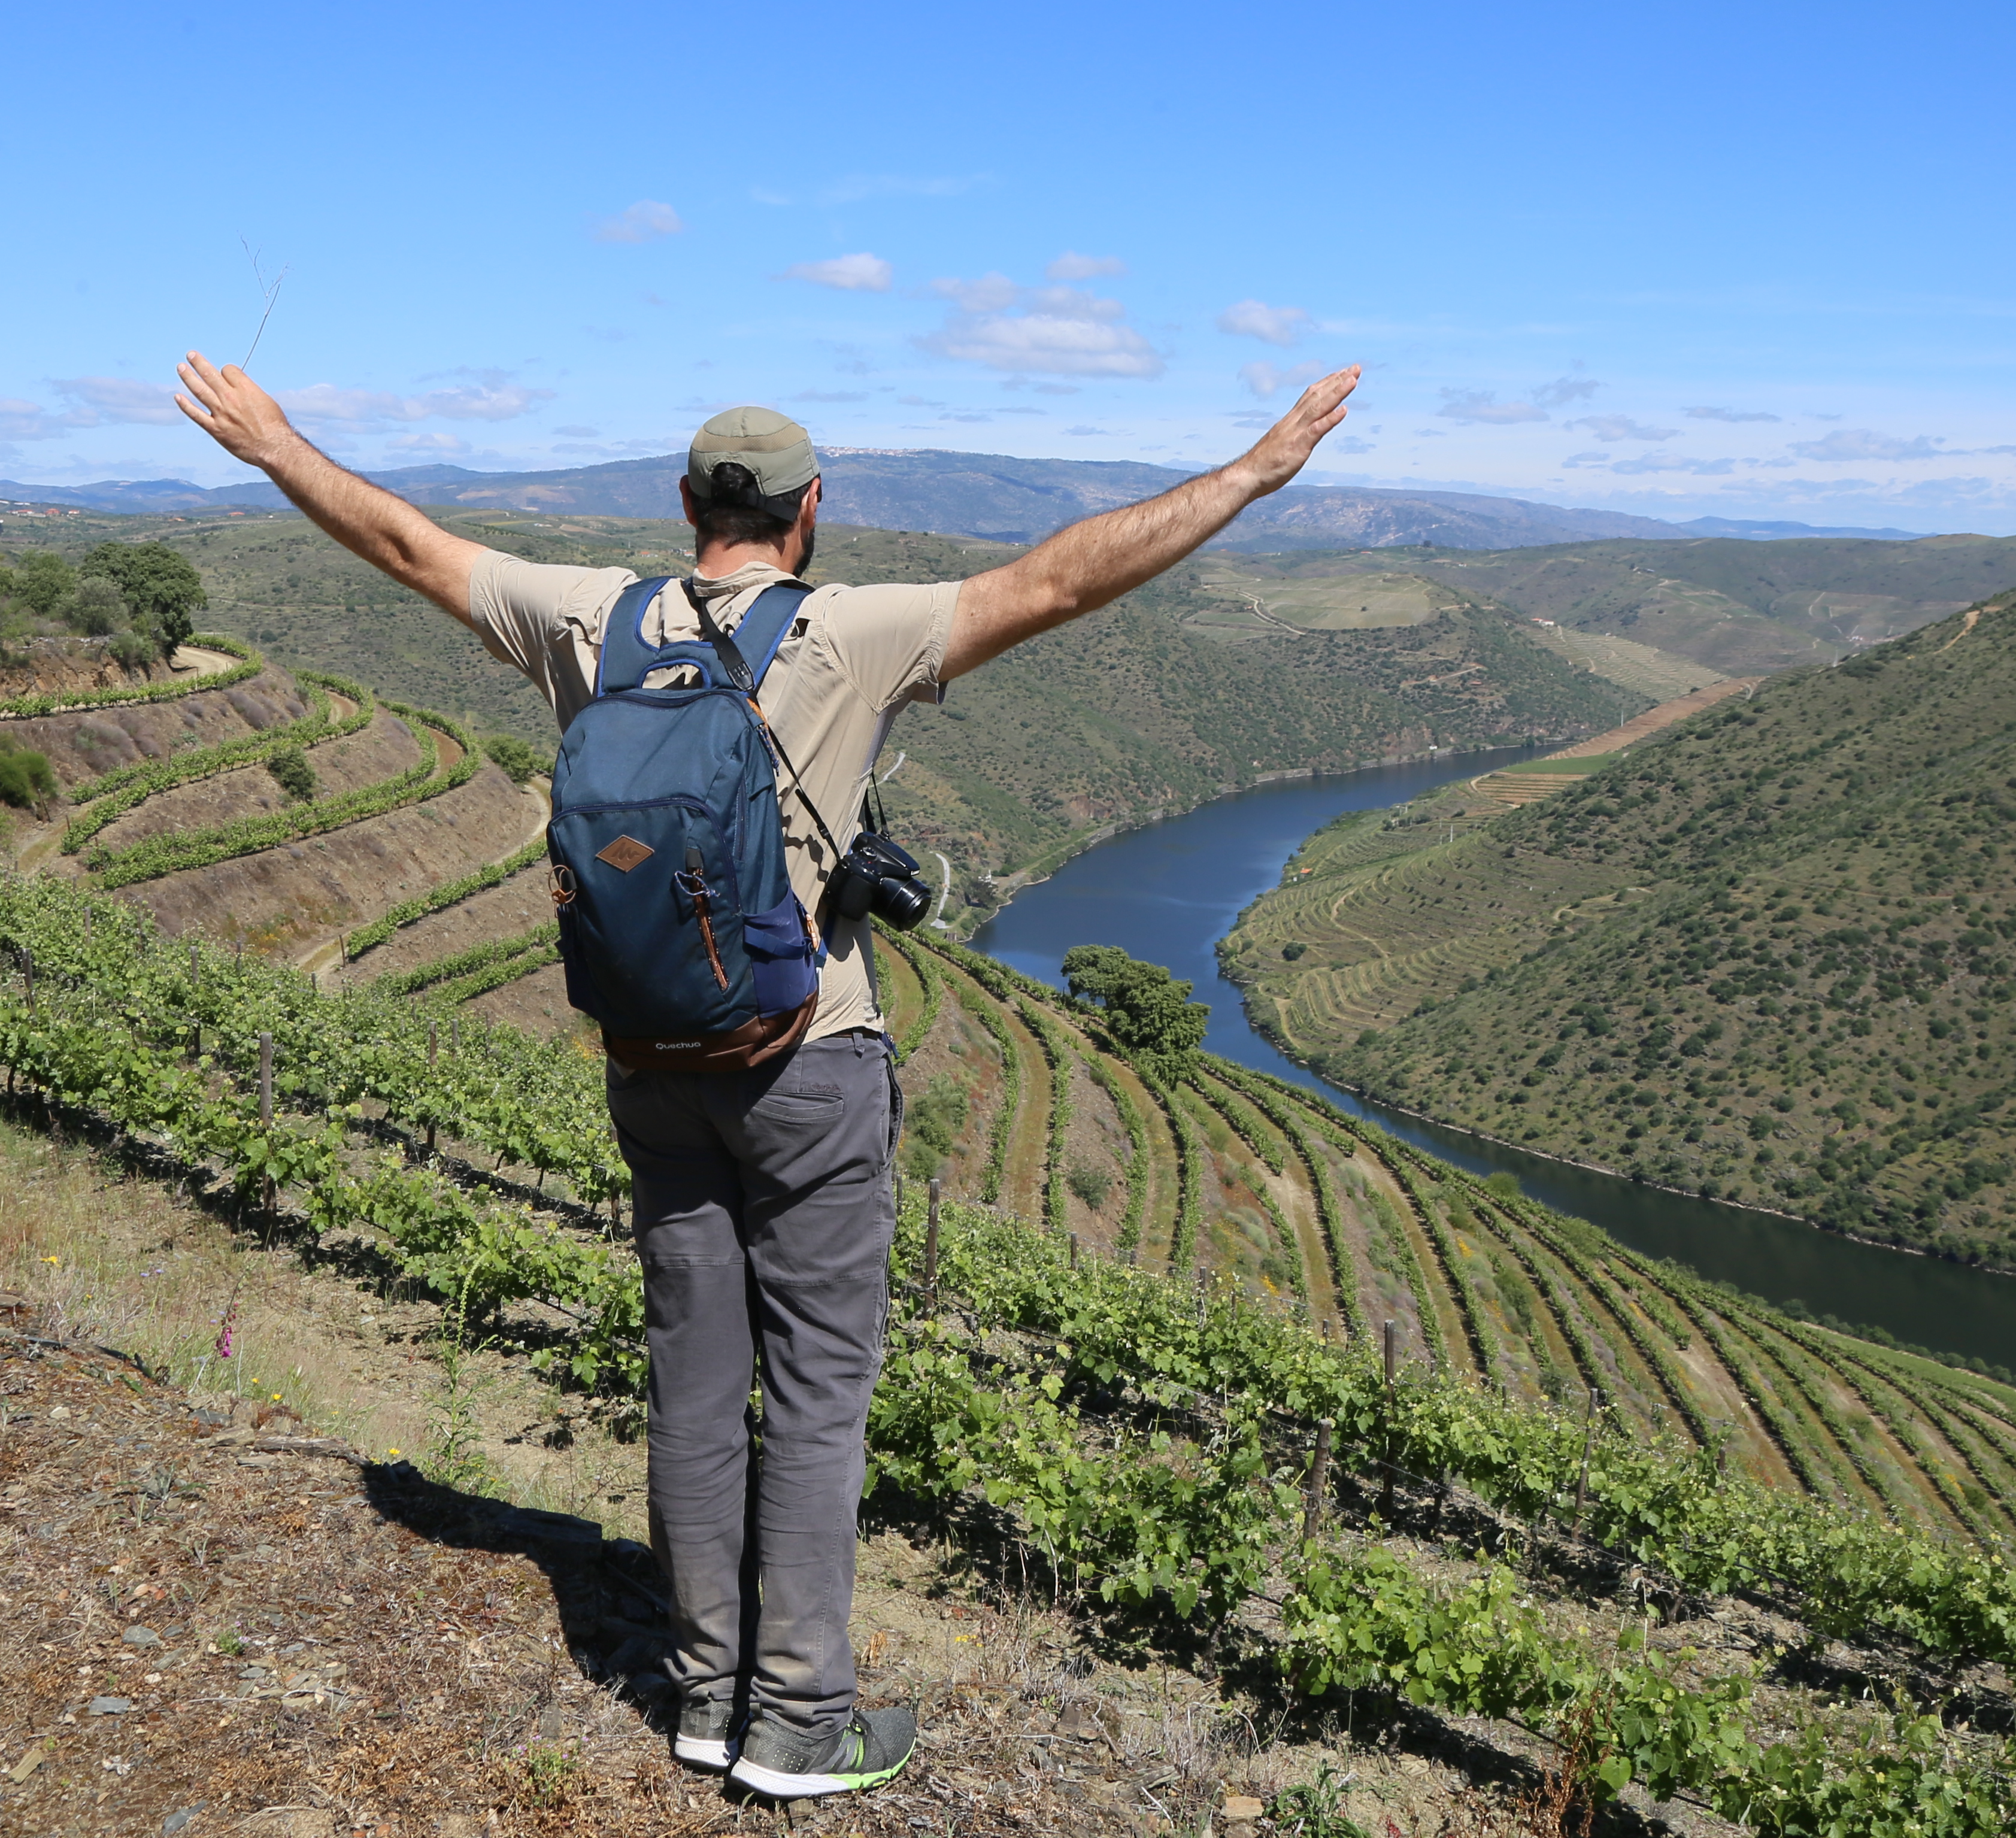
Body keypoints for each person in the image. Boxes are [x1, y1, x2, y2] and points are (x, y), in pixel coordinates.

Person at [169, 350, 1357, 1796]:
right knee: (816, 1389)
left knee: (691, 1374)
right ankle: (799, 1719)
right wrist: (1248, 474)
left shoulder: (589, 619)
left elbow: (409, 543)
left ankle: (697, 1693)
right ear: (809, 512)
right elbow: (1058, 582)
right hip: (808, 1058)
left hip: (647, 1059)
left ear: (685, 503)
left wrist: (279, 445)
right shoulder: (848, 633)